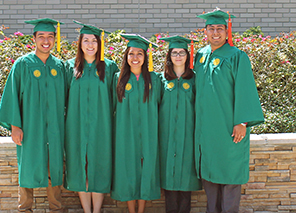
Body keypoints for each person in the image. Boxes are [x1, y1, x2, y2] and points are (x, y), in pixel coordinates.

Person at [194, 8, 265, 213]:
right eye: (211, 29)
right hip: (206, 130)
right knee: (210, 172)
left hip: (229, 128)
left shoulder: (237, 56)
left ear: (227, 31)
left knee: (230, 172)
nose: (215, 33)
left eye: (219, 29)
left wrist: (242, 122)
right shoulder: (201, 56)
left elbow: (245, 89)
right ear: (205, 31)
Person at [0, 18, 65, 212]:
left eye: (50, 36)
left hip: (55, 129)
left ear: (54, 39)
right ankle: (24, 208)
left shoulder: (59, 67)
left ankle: (56, 207)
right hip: (30, 128)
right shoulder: (22, 64)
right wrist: (15, 126)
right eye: (41, 36)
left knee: (55, 169)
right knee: (27, 168)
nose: (46, 40)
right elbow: (11, 95)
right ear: (34, 38)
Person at [63, 21, 119, 213]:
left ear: (99, 44)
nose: (90, 44)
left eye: (94, 41)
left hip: (102, 126)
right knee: (81, 167)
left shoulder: (109, 67)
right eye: (85, 40)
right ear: (79, 43)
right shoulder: (69, 67)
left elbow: (116, 99)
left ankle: (97, 210)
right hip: (76, 126)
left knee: (99, 166)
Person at [111, 34, 161, 213]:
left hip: (149, 132)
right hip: (125, 132)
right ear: (126, 57)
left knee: (146, 169)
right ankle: (131, 210)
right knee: (127, 170)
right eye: (131, 54)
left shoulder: (154, 79)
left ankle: (141, 210)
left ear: (145, 57)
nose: (135, 58)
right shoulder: (117, 79)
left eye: (140, 54)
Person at [159, 35, 202, 213]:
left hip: (188, 134)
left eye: (182, 52)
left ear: (187, 55)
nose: (178, 56)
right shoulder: (160, 79)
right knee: (169, 174)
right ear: (169, 56)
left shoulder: (195, 79)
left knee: (186, 175)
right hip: (166, 134)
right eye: (174, 53)